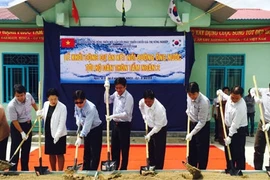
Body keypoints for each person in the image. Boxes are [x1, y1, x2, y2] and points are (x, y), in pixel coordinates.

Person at [105, 77, 134, 170]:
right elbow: (107, 101)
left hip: (124, 125)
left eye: (120, 88)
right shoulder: (115, 94)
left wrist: (113, 116)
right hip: (115, 125)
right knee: (115, 147)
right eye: (116, 88)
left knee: (124, 148)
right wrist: (106, 89)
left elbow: (126, 114)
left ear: (125, 87)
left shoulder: (129, 97)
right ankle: (114, 166)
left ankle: (123, 168)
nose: (118, 90)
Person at [7, 84, 38, 171]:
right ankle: (12, 170)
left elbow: (33, 103)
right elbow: (14, 120)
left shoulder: (28, 96)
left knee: (26, 149)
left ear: (25, 93)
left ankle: (25, 169)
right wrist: (21, 132)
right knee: (15, 149)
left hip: (27, 125)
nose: (20, 97)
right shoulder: (11, 105)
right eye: (18, 96)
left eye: (22, 95)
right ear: (14, 95)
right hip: (17, 127)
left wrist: (37, 111)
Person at [217, 85, 247, 171]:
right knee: (228, 150)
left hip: (239, 130)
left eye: (236, 98)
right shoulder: (230, 98)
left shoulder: (241, 106)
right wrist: (221, 93)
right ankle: (230, 168)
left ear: (241, 97)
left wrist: (229, 136)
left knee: (238, 151)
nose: (233, 100)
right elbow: (226, 97)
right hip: (228, 128)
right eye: (232, 97)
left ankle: (240, 170)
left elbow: (235, 124)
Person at [36, 88, 67, 171]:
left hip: (59, 134)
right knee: (51, 153)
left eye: (55, 99)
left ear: (58, 98)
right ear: (48, 99)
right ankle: (53, 170)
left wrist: (57, 135)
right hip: (48, 132)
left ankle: (60, 171)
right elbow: (45, 114)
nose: (53, 101)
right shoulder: (46, 104)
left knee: (59, 153)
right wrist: (40, 113)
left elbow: (62, 123)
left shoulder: (62, 107)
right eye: (51, 99)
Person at [73, 90, 103, 170]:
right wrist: (78, 120)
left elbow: (87, 125)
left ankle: (93, 170)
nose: (79, 104)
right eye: (76, 102)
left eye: (81, 102)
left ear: (85, 99)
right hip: (84, 127)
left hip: (95, 129)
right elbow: (76, 113)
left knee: (95, 151)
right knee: (87, 151)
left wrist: (80, 137)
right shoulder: (77, 105)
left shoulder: (91, 108)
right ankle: (85, 169)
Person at [138, 89, 168, 170]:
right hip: (149, 125)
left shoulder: (159, 109)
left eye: (149, 102)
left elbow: (158, 126)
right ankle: (150, 166)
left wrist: (149, 134)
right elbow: (141, 107)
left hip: (160, 129)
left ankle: (158, 169)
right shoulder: (142, 102)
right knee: (150, 149)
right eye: (146, 101)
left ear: (153, 99)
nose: (147, 104)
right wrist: (144, 116)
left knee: (159, 150)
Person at [185, 82, 211, 169]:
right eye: (189, 94)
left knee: (201, 150)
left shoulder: (204, 101)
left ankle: (202, 170)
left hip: (202, 127)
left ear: (198, 92)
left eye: (193, 94)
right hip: (192, 123)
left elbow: (202, 121)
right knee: (192, 149)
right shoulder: (188, 96)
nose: (191, 96)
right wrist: (188, 111)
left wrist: (192, 133)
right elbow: (189, 106)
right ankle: (192, 168)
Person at [250, 84, 270, 170]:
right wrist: (255, 98)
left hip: (269, 124)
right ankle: (257, 169)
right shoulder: (264, 91)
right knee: (258, 147)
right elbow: (252, 89)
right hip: (262, 123)